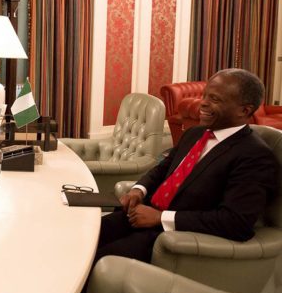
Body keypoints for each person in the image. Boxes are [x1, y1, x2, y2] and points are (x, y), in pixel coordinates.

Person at [95, 68, 279, 264]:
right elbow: (163, 167)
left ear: (245, 110)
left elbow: (236, 223)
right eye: (205, 95)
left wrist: (161, 218)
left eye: (215, 99)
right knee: (83, 236)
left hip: (173, 237)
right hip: (141, 214)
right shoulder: (196, 133)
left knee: (94, 261)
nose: (203, 103)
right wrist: (139, 189)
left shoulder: (255, 156)